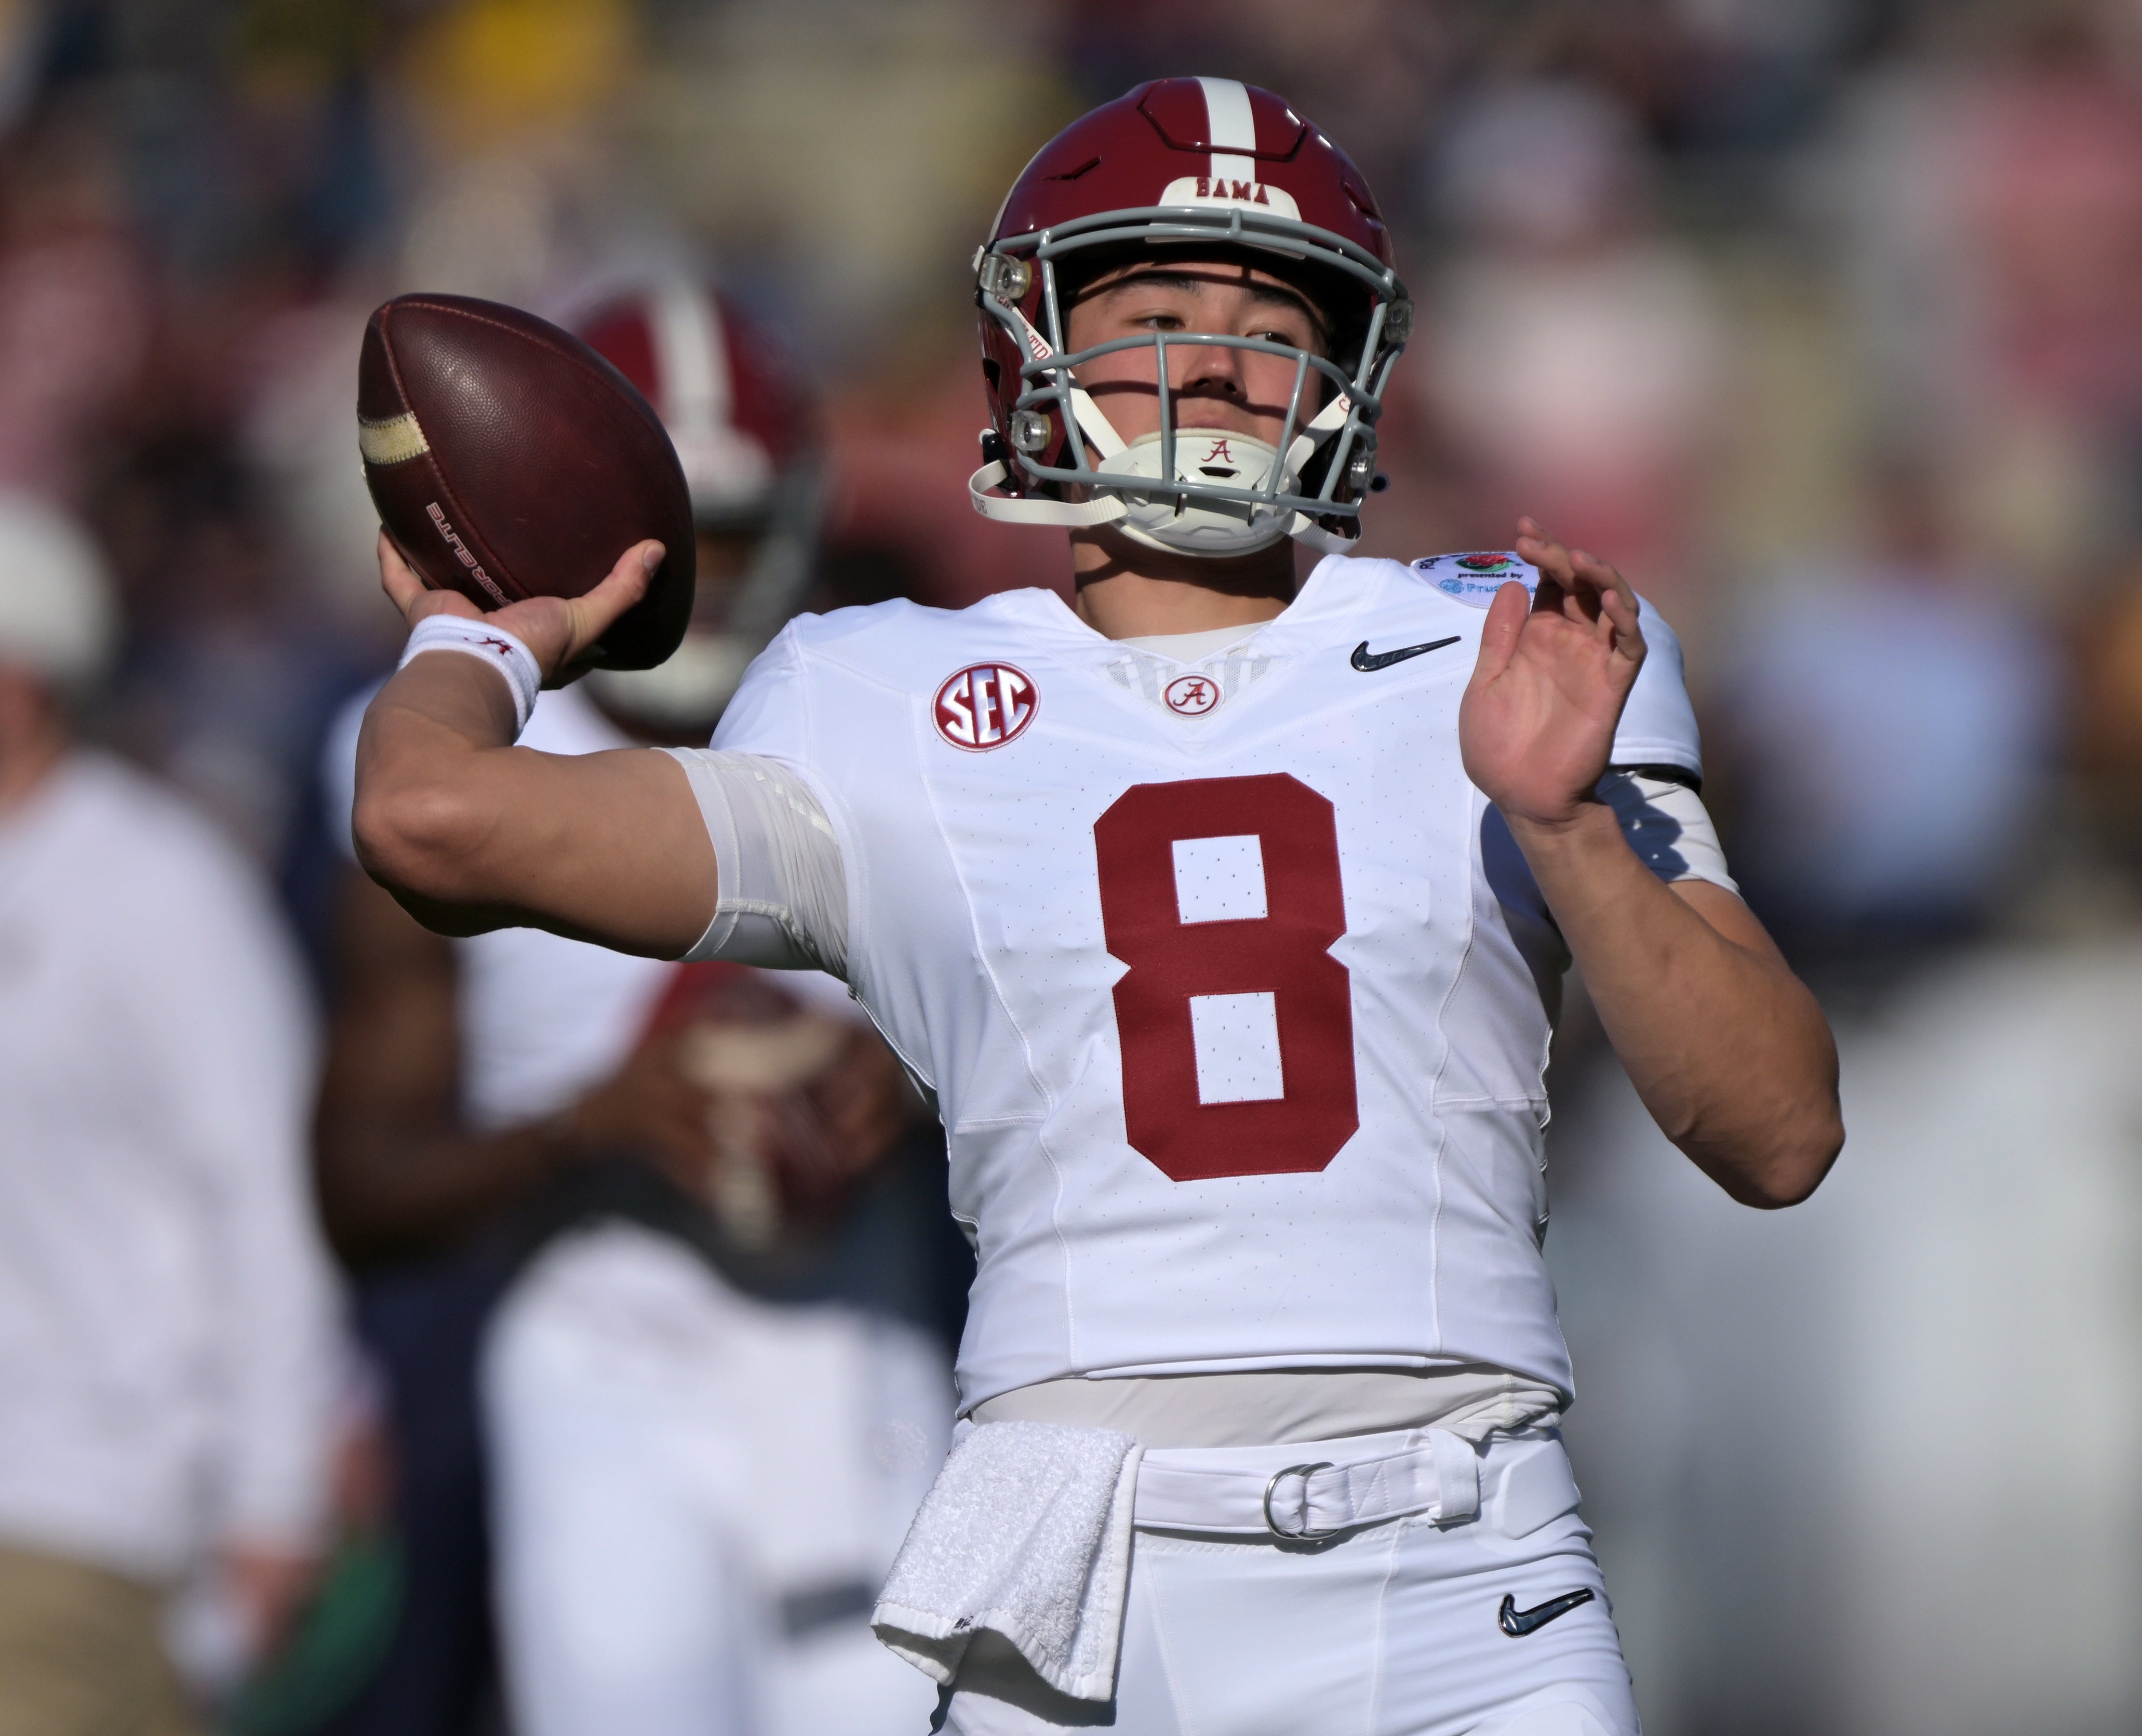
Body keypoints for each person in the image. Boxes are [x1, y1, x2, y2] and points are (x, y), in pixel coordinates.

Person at [346, 81, 1841, 1736]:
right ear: (1034, 341)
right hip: (1083, 1574)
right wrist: (489, 627)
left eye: (1272, 313)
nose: (1212, 359)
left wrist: (1561, 826)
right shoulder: (881, 694)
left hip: (1463, 1546)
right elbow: (430, 819)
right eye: (1154, 309)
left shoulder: (1508, 645)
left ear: (1352, 360)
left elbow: (1775, 1131)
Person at [313, 284, 958, 1736]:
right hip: (600, 1360)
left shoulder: (903, 711)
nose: (701, 583)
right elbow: (359, 1188)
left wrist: (931, 1069)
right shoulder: (461, 765)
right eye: (665, 547)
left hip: (865, 1346)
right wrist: (586, 1126)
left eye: (729, 538)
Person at [0, 493, 342, 1732]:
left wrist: (276, 1490)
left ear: (22, 683)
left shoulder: (158, 892)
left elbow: (266, 1196)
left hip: (82, 1521)